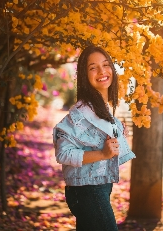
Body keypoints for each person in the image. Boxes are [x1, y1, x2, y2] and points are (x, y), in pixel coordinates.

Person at [53, 45, 135, 231]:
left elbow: (94, 135)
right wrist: (102, 153)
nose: (102, 71)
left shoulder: (100, 108)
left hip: (97, 187)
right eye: (93, 67)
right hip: (88, 191)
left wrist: (118, 129)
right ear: (84, 75)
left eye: (105, 65)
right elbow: (63, 154)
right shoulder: (80, 114)